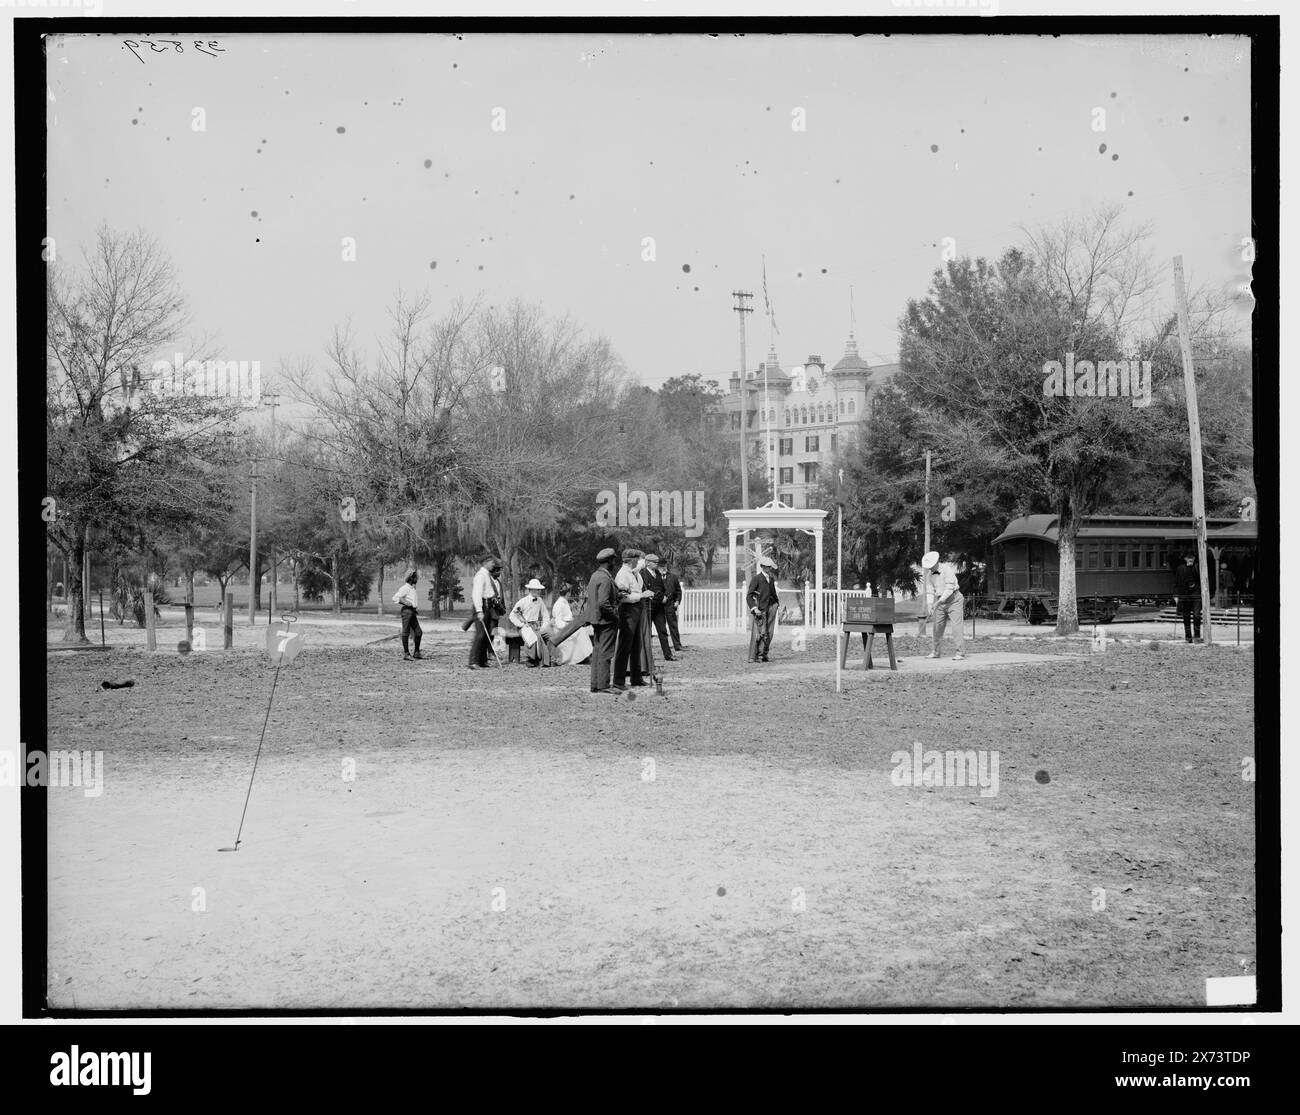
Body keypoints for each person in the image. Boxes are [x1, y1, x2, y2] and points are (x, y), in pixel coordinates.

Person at [552, 548, 620, 691]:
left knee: (597, 652)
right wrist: (615, 615)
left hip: (596, 620)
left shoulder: (595, 575)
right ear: (609, 562)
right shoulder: (606, 578)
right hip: (606, 621)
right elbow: (603, 603)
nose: (615, 563)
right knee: (605, 653)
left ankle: (595, 685)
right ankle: (604, 685)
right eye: (614, 560)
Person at [614, 548, 653, 688]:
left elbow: (637, 585)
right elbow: (623, 598)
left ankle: (636, 678)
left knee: (637, 645)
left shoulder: (633, 573)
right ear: (631, 560)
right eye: (638, 558)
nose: (640, 561)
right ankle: (618, 680)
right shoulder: (622, 575)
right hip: (628, 611)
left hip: (637, 609)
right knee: (625, 646)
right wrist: (641, 596)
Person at [922, 551, 965, 660]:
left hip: (954, 600)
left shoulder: (947, 570)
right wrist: (930, 605)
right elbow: (930, 591)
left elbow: (949, 589)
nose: (930, 569)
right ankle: (936, 652)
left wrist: (938, 602)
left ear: (937, 562)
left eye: (931, 566)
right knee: (937, 627)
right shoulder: (929, 575)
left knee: (956, 627)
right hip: (940, 602)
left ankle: (960, 653)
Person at [468, 556, 505, 668]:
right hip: (482, 606)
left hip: (489, 606)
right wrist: (479, 611)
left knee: (487, 634)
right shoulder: (480, 576)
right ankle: (473, 661)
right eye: (492, 562)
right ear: (486, 562)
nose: (493, 564)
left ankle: (482, 661)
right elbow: (476, 594)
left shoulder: (487, 575)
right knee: (480, 634)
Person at [640, 554, 677, 662]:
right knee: (647, 632)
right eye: (654, 562)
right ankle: (646, 658)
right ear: (647, 562)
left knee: (663, 631)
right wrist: (661, 597)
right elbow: (646, 589)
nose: (656, 564)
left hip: (659, 608)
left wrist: (664, 595)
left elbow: (661, 587)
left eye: (657, 562)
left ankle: (668, 654)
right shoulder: (643, 574)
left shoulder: (657, 573)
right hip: (648, 606)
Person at [509, 579, 554, 667]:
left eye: (538, 589)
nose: (536, 591)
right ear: (530, 590)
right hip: (525, 626)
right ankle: (531, 659)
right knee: (533, 637)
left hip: (536, 625)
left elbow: (545, 615)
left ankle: (550, 658)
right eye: (534, 589)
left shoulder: (540, 600)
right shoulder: (523, 601)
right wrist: (521, 624)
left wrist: (544, 626)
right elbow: (512, 615)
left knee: (551, 635)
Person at [746, 555, 780, 663]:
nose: (769, 568)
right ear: (762, 566)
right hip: (760, 609)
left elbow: (773, 593)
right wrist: (754, 609)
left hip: (772, 607)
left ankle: (763, 654)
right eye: (767, 566)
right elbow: (749, 595)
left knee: (769, 632)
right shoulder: (757, 578)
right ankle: (752, 656)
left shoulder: (771, 579)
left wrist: (777, 604)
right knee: (757, 632)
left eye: (770, 567)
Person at [550, 587, 594, 666]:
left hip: (566, 627)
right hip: (561, 630)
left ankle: (585, 656)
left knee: (581, 630)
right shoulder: (559, 604)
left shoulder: (564, 602)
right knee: (581, 631)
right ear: (568, 593)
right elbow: (558, 622)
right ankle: (586, 656)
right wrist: (569, 626)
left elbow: (568, 616)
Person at [391, 568, 424, 660]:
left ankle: (416, 653)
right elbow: (395, 598)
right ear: (411, 578)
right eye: (416, 577)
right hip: (407, 612)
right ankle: (406, 654)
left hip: (412, 612)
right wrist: (405, 602)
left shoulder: (412, 588)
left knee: (418, 632)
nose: (417, 579)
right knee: (406, 632)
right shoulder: (405, 588)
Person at [1173, 552, 1203, 643]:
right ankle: (1188, 637)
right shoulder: (1180, 568)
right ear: (1185, 559)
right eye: (1188, 557)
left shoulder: (1198, 567)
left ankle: (1197, 636)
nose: (1190, 559)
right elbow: (1176, 582)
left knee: (1197, 615)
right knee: (1186, 616)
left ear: (1194, 559)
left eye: (1192, 557)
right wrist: (1175, 595)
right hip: (1184, 595)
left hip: (1196, 594)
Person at [661, 563, 686, 651]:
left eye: (664, 566)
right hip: (659, 606)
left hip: (670, 605)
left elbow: (678, 591)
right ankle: (665, 647)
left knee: (673, 626)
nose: (663, 568)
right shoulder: (655, 577)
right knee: (661, 628)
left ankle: (677, 645)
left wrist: (677, 601)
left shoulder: (673, 577)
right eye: (660, 566)